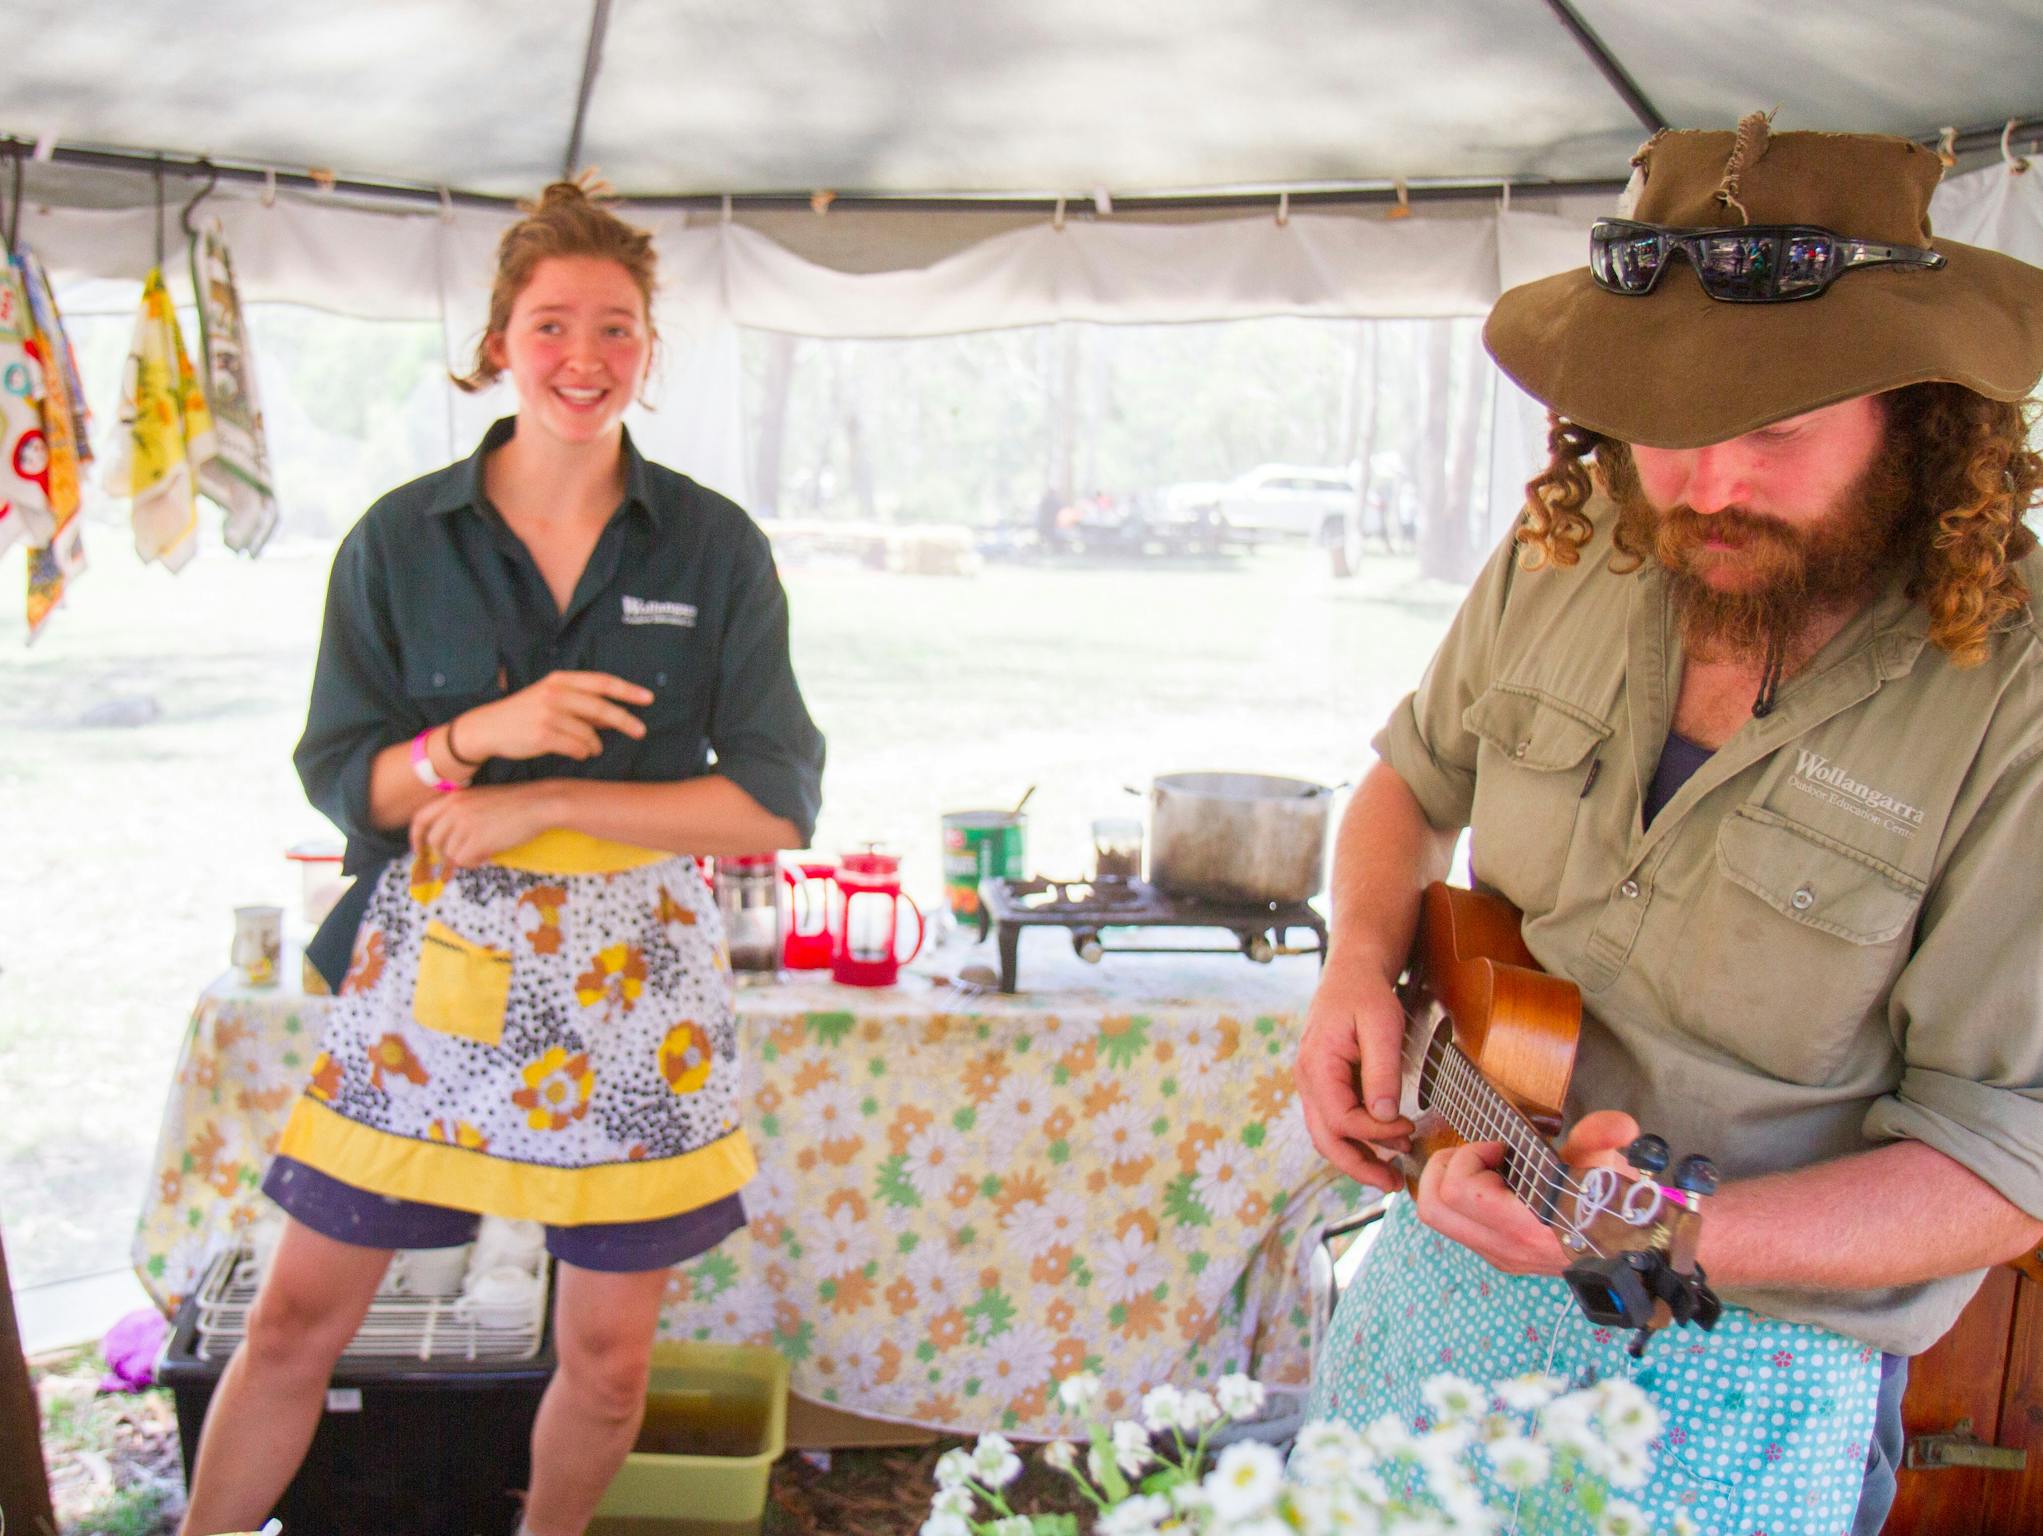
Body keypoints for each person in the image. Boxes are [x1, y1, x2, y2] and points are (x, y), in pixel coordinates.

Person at [1294, 118, 2043, 1535]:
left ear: (1921, 415)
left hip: (1740, 1349)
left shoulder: (2018, 701)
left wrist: (1669, 1230)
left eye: (1773, 430)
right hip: (1437, 1279)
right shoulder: (1571, 549)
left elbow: (2006, 1165)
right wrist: (1354, 970)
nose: (1708, 485)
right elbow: (1412, 780)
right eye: (1669, 430)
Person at [179, 181, 825, 1536]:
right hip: (436, 986)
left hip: (637, 995)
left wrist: (554, 802)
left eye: (616, 329)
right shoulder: (400, 544)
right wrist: (477, 737)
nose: (582, 358)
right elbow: (350, 782)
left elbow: (772, 800)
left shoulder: (712, 547)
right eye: (549, 326)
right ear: (496, 342)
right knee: (297, 1317)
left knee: (608, 1362)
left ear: (649, 351)